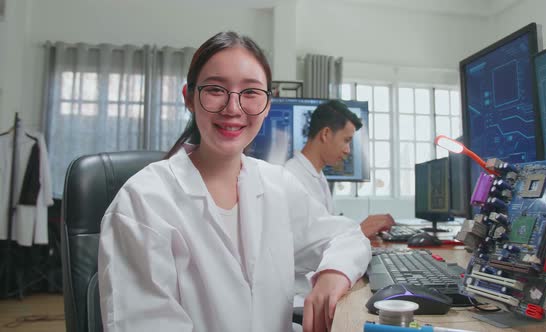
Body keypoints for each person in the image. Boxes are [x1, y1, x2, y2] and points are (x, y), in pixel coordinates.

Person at [97, 31, 371, 332]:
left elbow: (348, 236)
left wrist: (333, 273)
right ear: (189, 97)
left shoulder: (277, 185)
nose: (233, 108)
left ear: (267, 104)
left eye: (251, 92)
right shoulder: (143, 202)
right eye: (216, 89)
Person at [284, 100, 396, 239]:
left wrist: (358, 230)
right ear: (325, 134)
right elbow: (307, 247)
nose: (348, 150)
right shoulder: (291, 177)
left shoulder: (317, 176)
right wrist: (359, 231)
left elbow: (323, 233)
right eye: (346, 140)